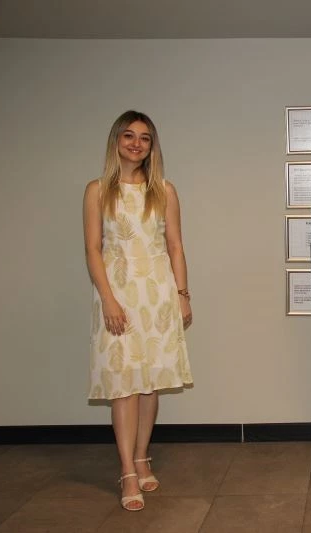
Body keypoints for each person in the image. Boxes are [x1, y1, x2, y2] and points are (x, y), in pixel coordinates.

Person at [83, 110, 194, 510]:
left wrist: (182, 295)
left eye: (144, 138)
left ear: (152, 146)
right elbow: (93, 249)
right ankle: (128, 471)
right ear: (116, 141)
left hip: (158, 297)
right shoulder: (98, 190)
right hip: (118, 297)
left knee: (150, 383)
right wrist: (108, 299)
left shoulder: (164, 190)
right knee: (123, 385)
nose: (136, 143)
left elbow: (175, 246)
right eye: (129, 135)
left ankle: (143, 456)